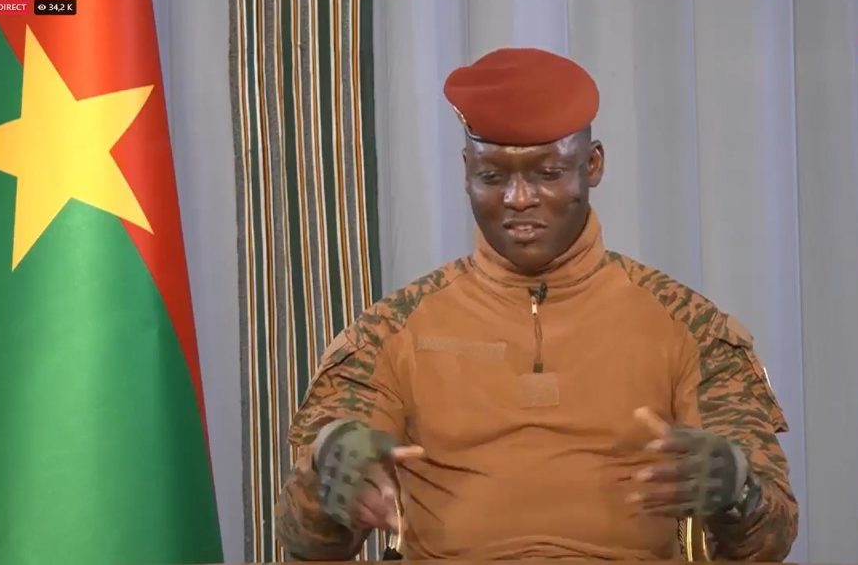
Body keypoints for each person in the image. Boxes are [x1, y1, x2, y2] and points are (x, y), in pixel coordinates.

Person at [275, 47, 798, 562]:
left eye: (547, 174)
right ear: (466, 171)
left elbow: (769, 542)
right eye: (492, 176)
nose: (518, 198)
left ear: (592, 165)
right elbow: (305, 544)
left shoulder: (690, 327)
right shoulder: (391, 331)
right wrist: (325, 474)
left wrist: (738, 491)